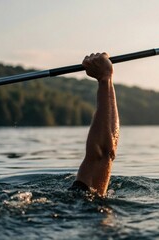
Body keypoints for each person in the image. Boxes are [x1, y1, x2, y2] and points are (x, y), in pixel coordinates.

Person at [70, 52, 119, 197]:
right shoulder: (81, 207)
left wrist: (106, 78)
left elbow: (103, 155)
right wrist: (105, 79)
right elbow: (103, 153)